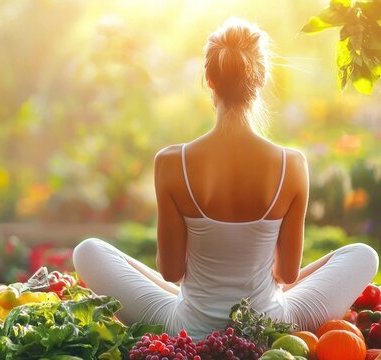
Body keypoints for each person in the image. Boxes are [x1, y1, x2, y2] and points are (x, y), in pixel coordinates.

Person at [72, 18, 379, 340]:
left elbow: (172, 272)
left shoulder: (171, 162)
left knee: (88, 250)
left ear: (209, 80)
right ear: (260, 80)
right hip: (272, 326)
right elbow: (287, 275)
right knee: (362, 254)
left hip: (188, 328)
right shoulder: (292, 164)